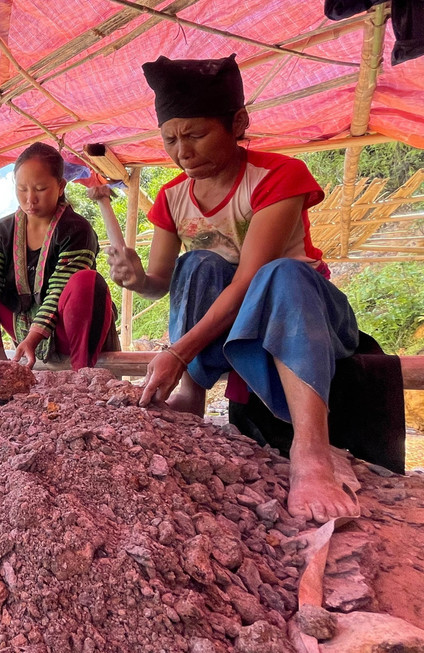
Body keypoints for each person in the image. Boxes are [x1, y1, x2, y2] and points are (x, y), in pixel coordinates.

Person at [106, 54, 359, 523]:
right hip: (236, 320)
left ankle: (311, 454)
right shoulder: (172, 196)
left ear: (238, 123)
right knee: (198, 263)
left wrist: (177, 351)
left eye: (196, 134)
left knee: (277, 273)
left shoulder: (279, 176)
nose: (182, 152)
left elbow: (248, 281)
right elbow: (161, 284)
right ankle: (191, 396)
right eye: (170, 140)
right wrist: (136, 278)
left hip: (307, 310)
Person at [0, 142, 119, 371]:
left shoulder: (77, 230)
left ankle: (82, 372)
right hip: (21, 323)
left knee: (85, 282)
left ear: (60, 186)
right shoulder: (3, 230)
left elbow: (59, 289)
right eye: (22, 189)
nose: (30, 199)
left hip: (67, 331)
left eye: (40, 189)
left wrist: (33, 337)